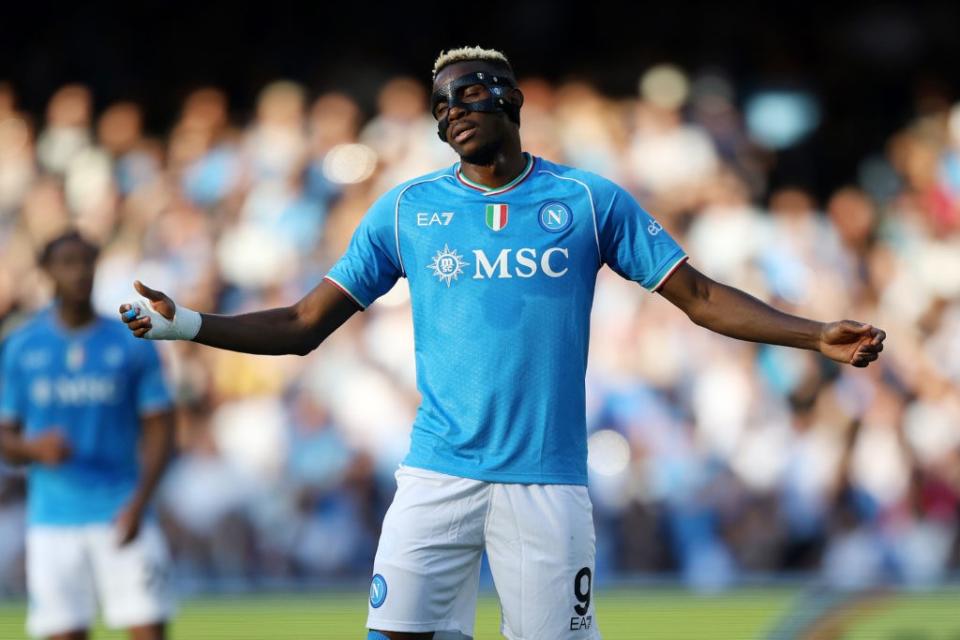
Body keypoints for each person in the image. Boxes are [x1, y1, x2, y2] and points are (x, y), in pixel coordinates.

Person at [119, 46, 886, 640]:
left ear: (513, 99)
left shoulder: (587, 201)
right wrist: (185, 322)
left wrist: (813, 333)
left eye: (470, 92)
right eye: (440, 103)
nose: (452, 110)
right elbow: (300, 325)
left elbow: (702, 297)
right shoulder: (406, 211)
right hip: (435, 475)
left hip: (547, 483)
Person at [1, 231, 175, 640]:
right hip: (53, 519)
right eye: (67, 263)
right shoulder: (22, 346)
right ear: (47, 271)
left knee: (148, 628)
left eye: (86, 262)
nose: (78, 273)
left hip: (123, 509)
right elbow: (4, 435)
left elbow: (162, 427)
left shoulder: (131, 342)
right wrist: (32, 449)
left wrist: (142, 500)